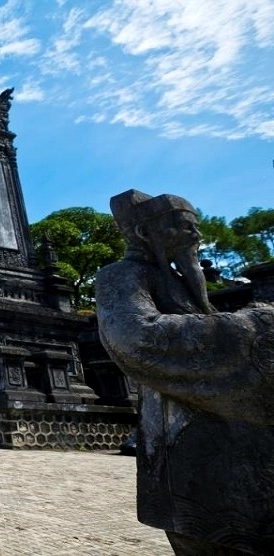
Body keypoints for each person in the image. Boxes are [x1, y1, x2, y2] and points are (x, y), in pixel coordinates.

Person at [96, 189, 274, 556]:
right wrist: (253, 327)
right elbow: (136, 339)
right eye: (183, 227)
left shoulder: (182, 283)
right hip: (186, 449)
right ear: (145, 233)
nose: (196, 236)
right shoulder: (122, 276)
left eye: (196, 228)